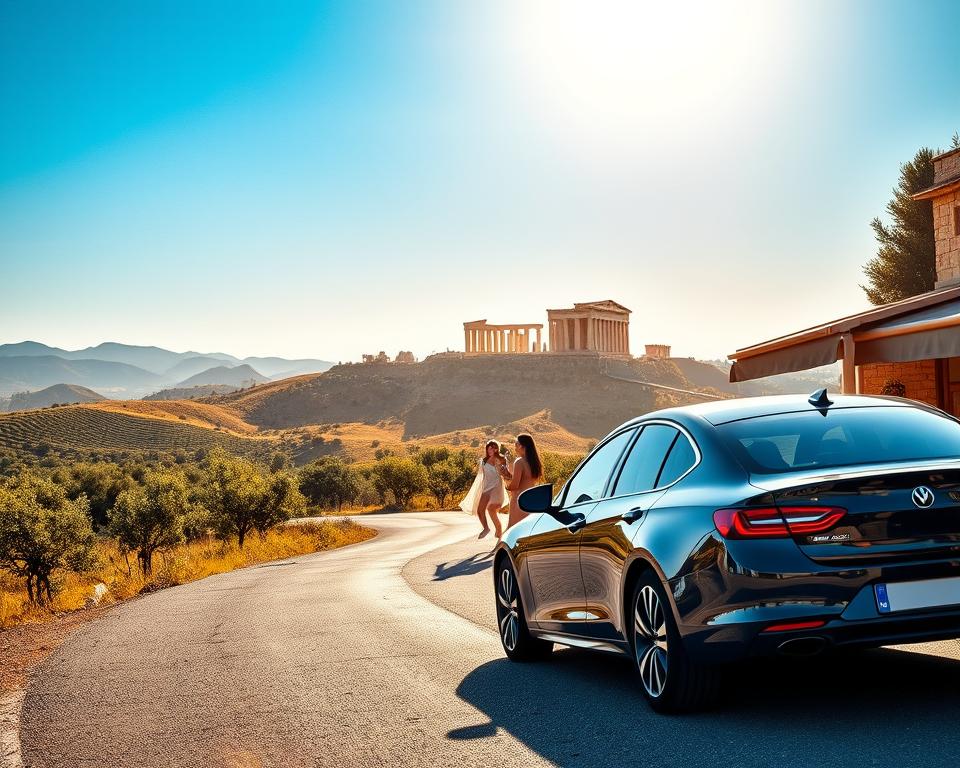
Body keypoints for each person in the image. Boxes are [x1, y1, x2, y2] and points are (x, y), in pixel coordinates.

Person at [459, 440, 509, 539]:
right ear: (487, 449)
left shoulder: (502, 459)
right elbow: (480, 477)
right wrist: (478, 490)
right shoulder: (483, 461)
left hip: (497, 486)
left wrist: (504, 470)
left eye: (494, 448)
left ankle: (498, 529)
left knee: (491, 508)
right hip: (487, 487)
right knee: (480, 510)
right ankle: (486, 528)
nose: (492, 450)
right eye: (490, 448)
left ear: (497, 449)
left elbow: (506, 474)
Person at [503, 433, 544, 530]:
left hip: (519, 501)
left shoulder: (519, 462)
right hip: (531, 501)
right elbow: (525, 481)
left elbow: (514, 485)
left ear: (521, 446)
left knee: (510, 532)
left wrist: (505, 479)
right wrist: (508, 474)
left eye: (516, 445)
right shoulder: (534, 462)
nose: (515, 448)